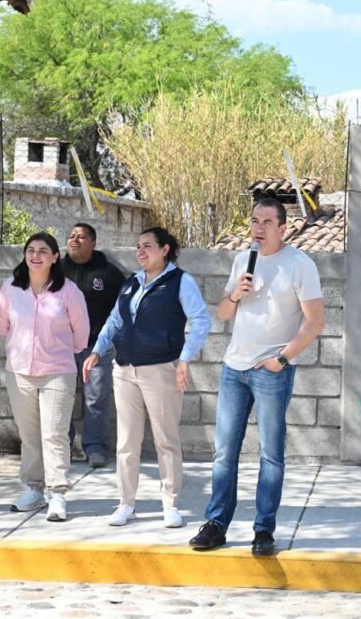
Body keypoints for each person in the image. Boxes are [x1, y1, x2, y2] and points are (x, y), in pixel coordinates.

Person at [188, 198, 325, 557]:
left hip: (271, 371)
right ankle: (216, 524)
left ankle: (263, 530)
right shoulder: (242, 260)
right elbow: (223, 313)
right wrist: (235, 294)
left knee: (271, 454)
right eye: (254, 221)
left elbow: (315, 321)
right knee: (224, 452)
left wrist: (282, 359)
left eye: (266, 222)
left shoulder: (300, 264)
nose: (258, 228)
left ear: (283, 228)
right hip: (234, 369)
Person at [83, 227, 211, 529]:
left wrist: (185, 358)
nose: (140, 251)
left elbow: (201, 320)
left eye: (147, 246)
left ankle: (170, 504)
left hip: (161, 371)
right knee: (127, 442)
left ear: (165, 250)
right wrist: (97, 350)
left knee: (166, 440)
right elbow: (114, 320)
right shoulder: (131, 282)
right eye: (138, 246)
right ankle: (126, 503)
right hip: (125, 370)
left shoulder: (180, 281)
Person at [0, 232, 89, 523]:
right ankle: (33, 490)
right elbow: (3, 326)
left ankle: (57, 493)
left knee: (54, 434)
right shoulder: (10, 288)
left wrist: (59, 350)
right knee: (30, 436)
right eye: (31, 250)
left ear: (55, 257)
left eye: (43, 251)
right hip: (20, 372)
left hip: (58, 372)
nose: (35, 255)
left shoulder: (69, 291)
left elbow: (82, 334)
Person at [62, 222, 125, 468]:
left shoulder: (108, 273)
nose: (74, 240)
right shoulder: (56, 271)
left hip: (96, 348)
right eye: (71, 236)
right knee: (61, 398)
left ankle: (95, 447)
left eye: (81, 237)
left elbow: (122, 310)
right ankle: (62, 447)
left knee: (96, 399)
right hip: (61, 348)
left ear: (93, 243)